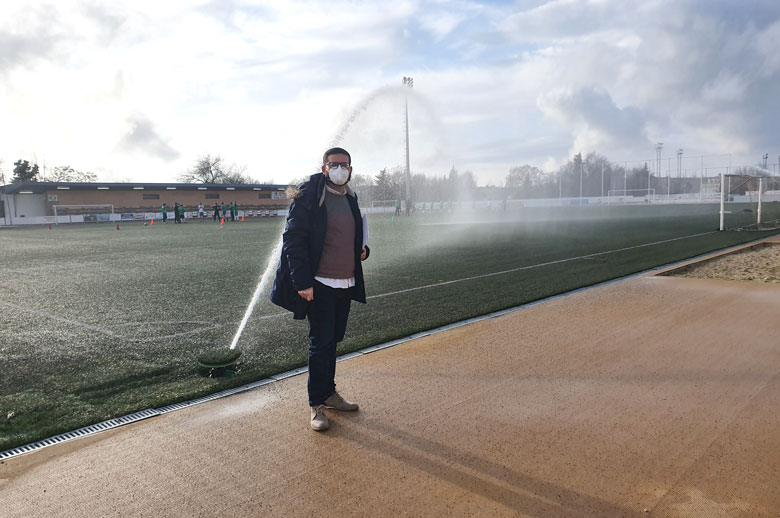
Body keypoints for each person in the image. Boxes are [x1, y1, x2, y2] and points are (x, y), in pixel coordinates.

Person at [271, 147, 370, 432]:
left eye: (346, 165)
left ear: (351, 170)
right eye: (335, 164)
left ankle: (329, 393)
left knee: (334, 339)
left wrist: (363, 249)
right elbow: (293, 239)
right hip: (320, 283)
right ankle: (316, 404)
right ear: (325, 167)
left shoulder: (350, 196)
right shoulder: (309, 195)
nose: (341, 169)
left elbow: (354, 234)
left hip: (346, 281)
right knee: (321, 342)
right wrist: (302, 282)